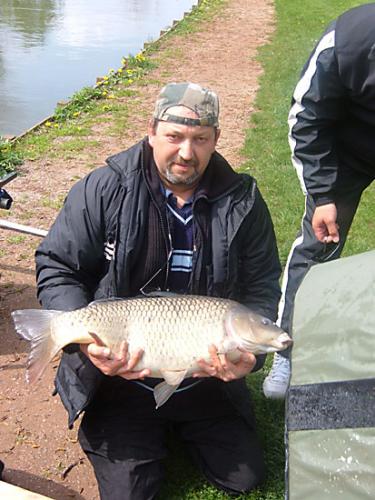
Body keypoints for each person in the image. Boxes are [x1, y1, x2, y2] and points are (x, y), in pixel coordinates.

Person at [36, 82, 281, 499]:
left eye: (200, 139)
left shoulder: (243, 201)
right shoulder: (105, 188)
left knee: (244, 477)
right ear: (152, 131)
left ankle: (183, 419)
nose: (187, 152)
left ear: (215, 140)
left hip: (204, 377)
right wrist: (88, 349)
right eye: (175, 137)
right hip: (119, 378)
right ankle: (124, 431)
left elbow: (262, 289)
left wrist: (248, 363)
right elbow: (58, 266)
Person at [263, 3, 375, 399]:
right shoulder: (349, 38)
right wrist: (324, 195)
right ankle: (286, 348)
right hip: (345, 148)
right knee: (319, 244)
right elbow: (306, 118)